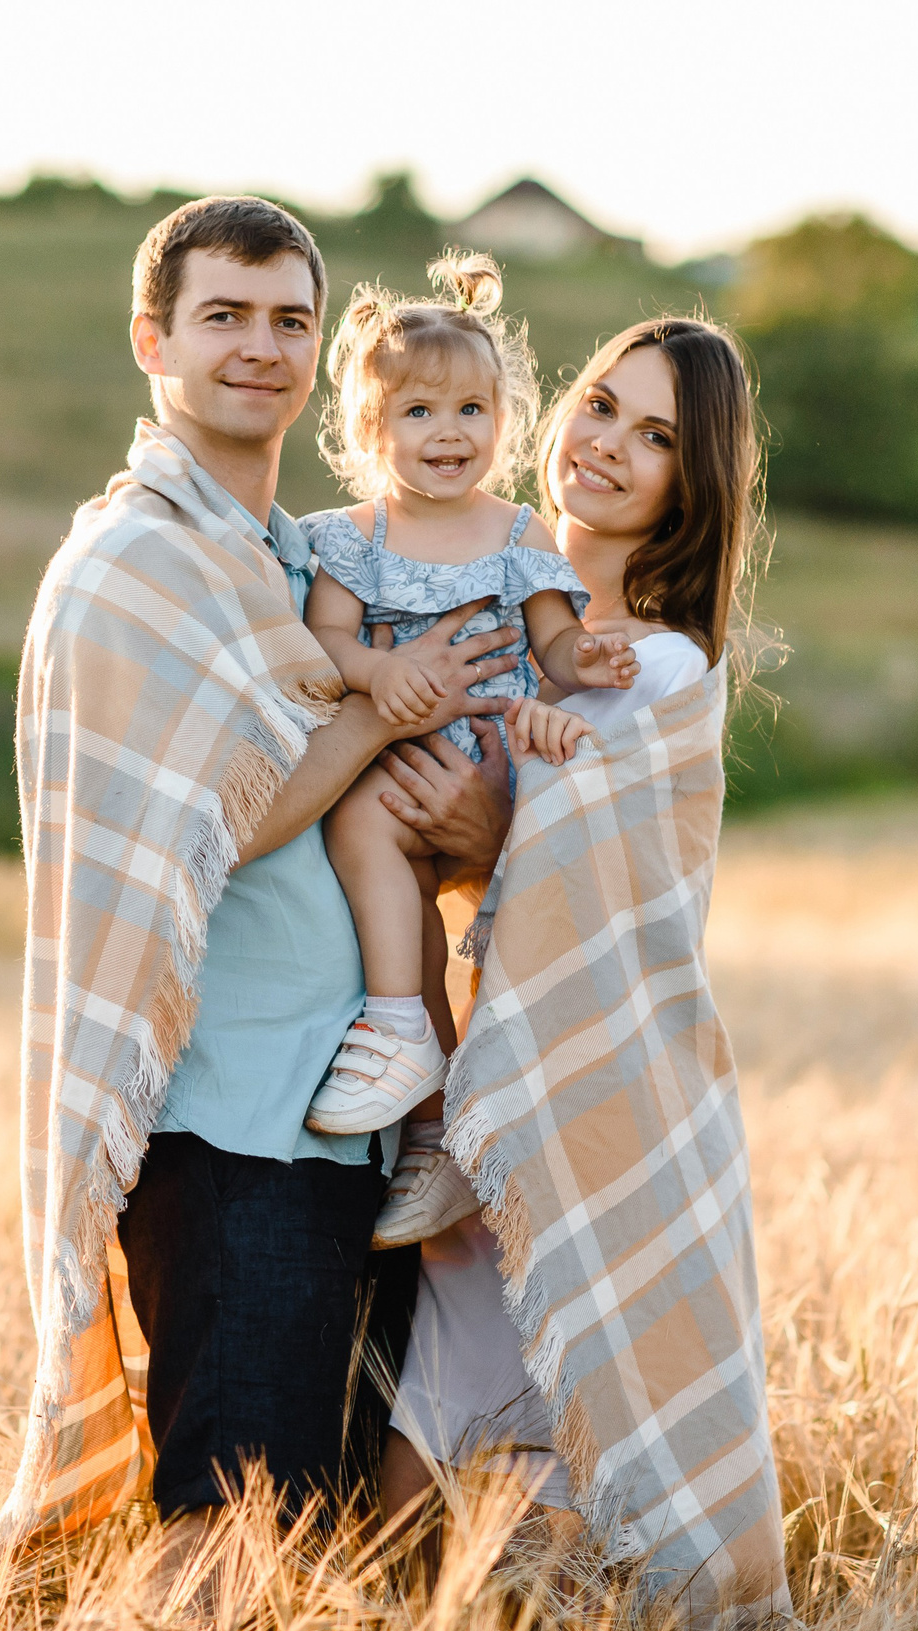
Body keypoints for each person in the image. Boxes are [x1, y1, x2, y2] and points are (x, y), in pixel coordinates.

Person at [0, 197, 522, 1565]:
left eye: (291, 318)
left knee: (337, 1552)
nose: (262, 346)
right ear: (150, 339)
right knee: (233, 1539)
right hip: (231, 1136)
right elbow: (203, 832)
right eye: (223, 315)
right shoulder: (134, 567)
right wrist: (383, 715)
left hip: (349, 1125)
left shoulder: (298, 563)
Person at [380, 319, 790, 1624]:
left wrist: (492, 837)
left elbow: (618, 893)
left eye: (658, 436)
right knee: (391, 1564)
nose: (609, 444)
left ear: (693, 482)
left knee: (564, 1576)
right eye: (604, 406)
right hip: (458, 1132)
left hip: (576, 1135)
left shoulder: (658, 672)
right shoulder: (495, 610)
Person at [294, 257, 636, 1161]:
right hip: (400, 761)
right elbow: (326, 637)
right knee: (371, 853)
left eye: (470, 411)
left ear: (502, 419)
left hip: (498, 762)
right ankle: (417, 1076)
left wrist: (587, 655)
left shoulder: (518, 531)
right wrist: (376, 671)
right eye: (419, 412)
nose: (449, 433)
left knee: (489, 957)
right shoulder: (351, 539)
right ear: (372, 429)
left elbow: (556, 641)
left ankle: (474, 1098)